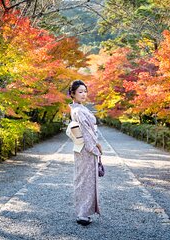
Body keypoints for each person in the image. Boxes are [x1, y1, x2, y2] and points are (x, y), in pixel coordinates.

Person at [68, 80, 103, 226]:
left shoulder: (79, 108)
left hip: (82, 148)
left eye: (85, 91)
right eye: (80, 92)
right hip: (85, 149)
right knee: (84, 180)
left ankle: (84, 212)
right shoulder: (78, 110)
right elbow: (87, 131)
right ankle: (82, 214)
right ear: (73, 94)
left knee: (84, 179)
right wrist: (95, 146)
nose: (83, 94)